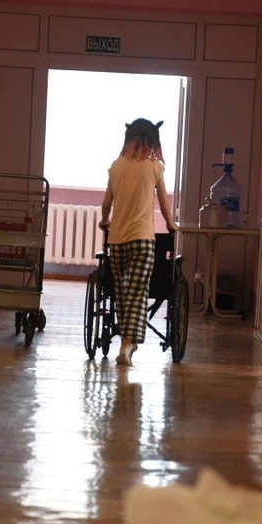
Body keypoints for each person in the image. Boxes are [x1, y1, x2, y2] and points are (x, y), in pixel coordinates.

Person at [99, 118, 178, 366]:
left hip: (117, 241)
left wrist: (104, 220)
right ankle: (127, 344)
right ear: (152, 141)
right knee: (137, 292)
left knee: (122, 293)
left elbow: (106, 204)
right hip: (143, 241)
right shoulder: (154, 167)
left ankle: (126, 342)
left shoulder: (116, 167)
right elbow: (164, 204)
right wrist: (170, 223)